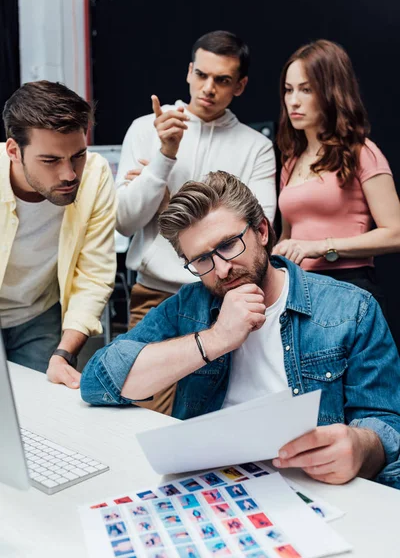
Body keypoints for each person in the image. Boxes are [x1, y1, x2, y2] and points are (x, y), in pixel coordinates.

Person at [81, 171, 400, 489]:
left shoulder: (351, 309)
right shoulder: (189, 305)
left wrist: (361, 446)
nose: (221, 269)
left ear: (262, 230)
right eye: (202, 260)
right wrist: (215, 339)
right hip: (208, 482)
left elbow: (386, 424)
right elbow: (98, 381)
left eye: (228, 245)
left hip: (309, 483)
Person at [116, 30, 276, 415]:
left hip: (226, 300)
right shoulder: (145, 130)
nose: (208, 88)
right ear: (189, 71)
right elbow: (124, 221)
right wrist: (164, 156)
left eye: (222, 80)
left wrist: (168, 205)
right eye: (201, 75)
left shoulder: (256, 146)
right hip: (156, 297)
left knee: (216, 417)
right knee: (140, 416)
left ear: (240, 85)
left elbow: (262, 227)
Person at [0, 81, 116, 387]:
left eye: (77, 155)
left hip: (40, 314)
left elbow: (93, 274)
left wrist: (64, 353)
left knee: (41, 416)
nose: (69, 174)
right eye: (50, 160)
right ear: (14, 151)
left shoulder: (95, 174)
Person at [273, 39, 400, 308]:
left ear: (330, 91)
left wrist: (322, 246)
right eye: (288, 90)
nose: (293, 101)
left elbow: (396, 233)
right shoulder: (290, 161)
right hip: (297, 290)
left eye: (306, 90)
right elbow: (288, 236)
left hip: (348, 287)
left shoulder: (361, 151)